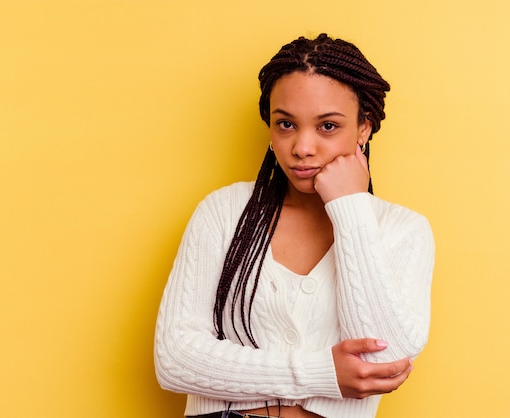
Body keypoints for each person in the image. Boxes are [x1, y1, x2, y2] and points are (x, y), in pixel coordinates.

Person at [154, 33, 434, 418]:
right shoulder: (224, 212)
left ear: (364, 128)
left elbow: (382, 361)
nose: (302, 146)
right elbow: (175, 358)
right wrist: (319, 373)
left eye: (328, 127)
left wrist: (350, 207)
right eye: (285, 124)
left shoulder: (403, 230)